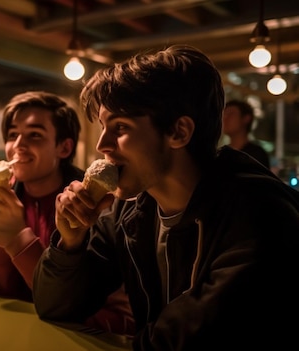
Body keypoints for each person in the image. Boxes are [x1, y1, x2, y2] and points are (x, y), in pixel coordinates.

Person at [32, 45, 299, 350]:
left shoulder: (261, 215)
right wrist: (70, 242)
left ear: (178, 132)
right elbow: (55, 307)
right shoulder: (128, 211)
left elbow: (187, 340)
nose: (102, 145)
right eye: (104, 127)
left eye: (120, 127)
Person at [0, 91, 134, 336]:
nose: (17, 146)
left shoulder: (93, 206)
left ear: (64, 147)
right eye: (12, 135)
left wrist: (18, 237)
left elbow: (110, 313)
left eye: (34, 135)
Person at [222, 99, 270, 168]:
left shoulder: (256, 155)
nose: (225, 118)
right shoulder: (223, 153)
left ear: (246, 119)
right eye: (224, 115)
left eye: (231, 114)